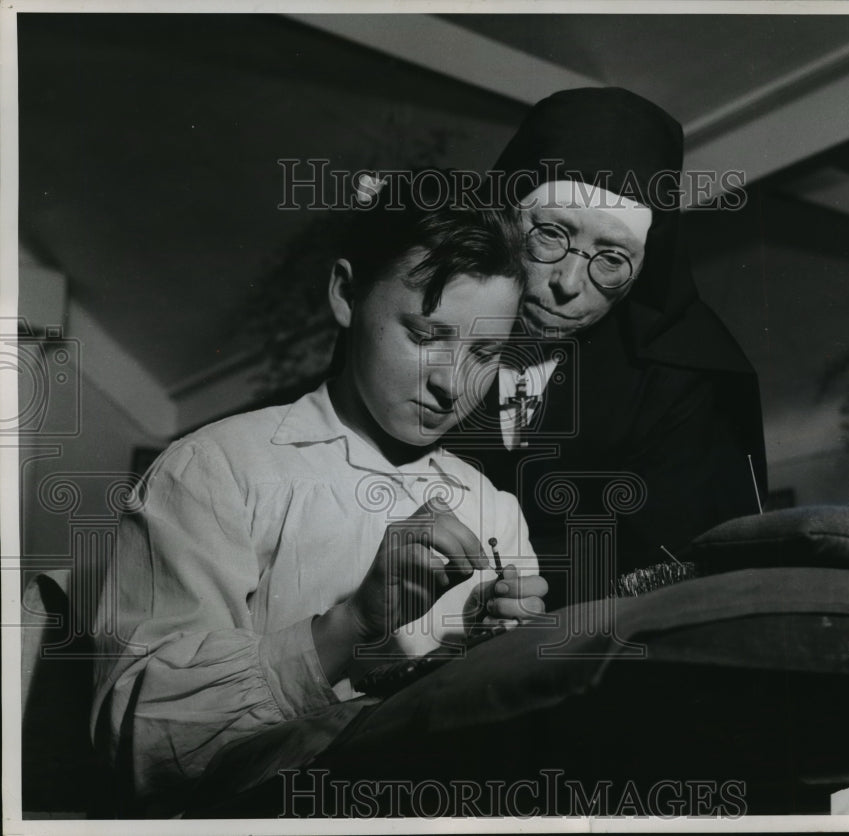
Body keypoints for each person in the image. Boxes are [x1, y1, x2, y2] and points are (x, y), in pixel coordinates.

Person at [90, 176, 548, 814]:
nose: (452, 384)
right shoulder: (216, 470)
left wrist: (513, 657)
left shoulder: (494, 508)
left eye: (486, 352)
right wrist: (349, 627)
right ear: (345, 294)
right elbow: (138, 748)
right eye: (424, 335)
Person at [450, 87, 768, 609]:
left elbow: (679, 564)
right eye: (551, 234)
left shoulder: (681, 377)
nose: (569, 283)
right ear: (507, 218)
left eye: (613, 257)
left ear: (645, 268)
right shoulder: (431, 323)